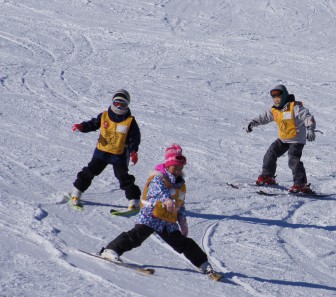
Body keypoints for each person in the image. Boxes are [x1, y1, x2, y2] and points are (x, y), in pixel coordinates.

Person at [100, 144, 220, 280]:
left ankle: (203, 264)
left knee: (182, 243)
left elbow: (180, 205)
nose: (178, 171)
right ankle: (111, 250)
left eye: (180, 168)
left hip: (167, 221)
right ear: (168, 165)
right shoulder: (158, 178)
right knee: (136, 236)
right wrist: (167, 200)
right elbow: (160, 191)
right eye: (175, 167)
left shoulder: (181, 184)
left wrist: (183, 222)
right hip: (150, 215)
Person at [69, 89, 142, 209]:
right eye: (116, 103)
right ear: (112, 102)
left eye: (122, 104)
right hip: (101, 153)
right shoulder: (104, 116)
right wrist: (82, 126)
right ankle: (76, 192)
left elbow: (135, 138)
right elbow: (93, 124)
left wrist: (134, 151)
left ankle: (133, 200)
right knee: (90, 171)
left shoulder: (130, 121)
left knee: (123, 177)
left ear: (127, 105)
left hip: (119, 155)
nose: (119, 106)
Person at [245, 84, 317, 194]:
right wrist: (252, 123)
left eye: (278, 97)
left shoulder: (294, 107)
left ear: (284, 96)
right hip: (283, 139)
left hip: (296, 140)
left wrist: (310, 128)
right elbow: (263, 117)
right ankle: (267, 176)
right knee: (270, 153)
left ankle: (301, 184)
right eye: (274, 97)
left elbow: (307, 116)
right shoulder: (274, 110)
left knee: (293, 160)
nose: (276, 100)